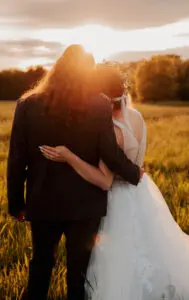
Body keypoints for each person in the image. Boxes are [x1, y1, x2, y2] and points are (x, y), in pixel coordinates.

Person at [7, 45, 143, 300]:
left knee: (40, 267)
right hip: (85, 205)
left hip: (43, 201)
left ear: (57, 68)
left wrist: (16, 204)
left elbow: (16, 160)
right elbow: (110, 153)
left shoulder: (27, 105)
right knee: (78, 275)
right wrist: (134, 173)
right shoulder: (99, 105)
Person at [41, 66, 189, 300]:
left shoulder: (109, 128)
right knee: (150, 249)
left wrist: (68, 157)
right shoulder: (137, 117)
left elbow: (104, 181)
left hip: (116, 200)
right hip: (140, 193)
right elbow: (138, 163)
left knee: (118, 260)